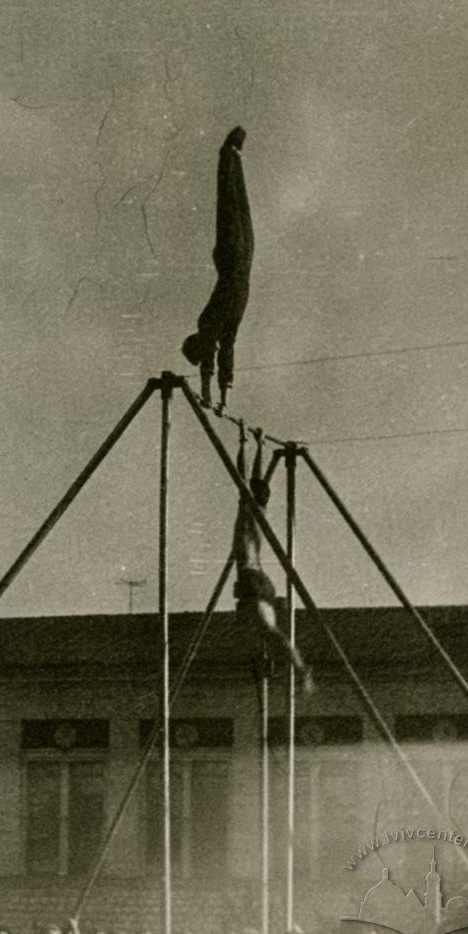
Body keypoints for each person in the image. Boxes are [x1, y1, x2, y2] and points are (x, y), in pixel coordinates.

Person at [233, 426, 314, 695]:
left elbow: (243, 477)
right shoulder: (258, 514)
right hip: (258, 582)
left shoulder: (248, 516)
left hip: (253, 580)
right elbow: (254, 481)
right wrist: (257, 445)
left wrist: (246, 441)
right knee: (268, 632)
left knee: (268, 633)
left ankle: (300, 669)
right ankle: (299, 668)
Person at [182, 126, 254, 412]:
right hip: (234, 263)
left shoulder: (211, 327)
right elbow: (219, 357)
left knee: (237, 207)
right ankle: (230, 154)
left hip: (243, 267)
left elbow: (221, 357)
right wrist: (212, 399)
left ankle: (232, 154)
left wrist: (215, 400)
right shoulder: (209, 327)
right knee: (230, 205)